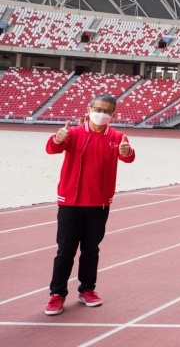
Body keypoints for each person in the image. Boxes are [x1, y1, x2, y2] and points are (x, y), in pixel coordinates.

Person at [44, 94, 135, 315]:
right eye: (98, 109)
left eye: (107, 111)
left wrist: (126, 152)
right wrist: (57, 138)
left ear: (113, 114)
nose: (101, 113)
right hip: (70, 203)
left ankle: (87, 290)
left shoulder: (117, 136)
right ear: (89, 108)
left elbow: (128, 157)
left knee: (91, 250)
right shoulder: (72, 133)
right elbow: (52, 149)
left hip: (99, 204)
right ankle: (57, 294)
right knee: (65, 250)